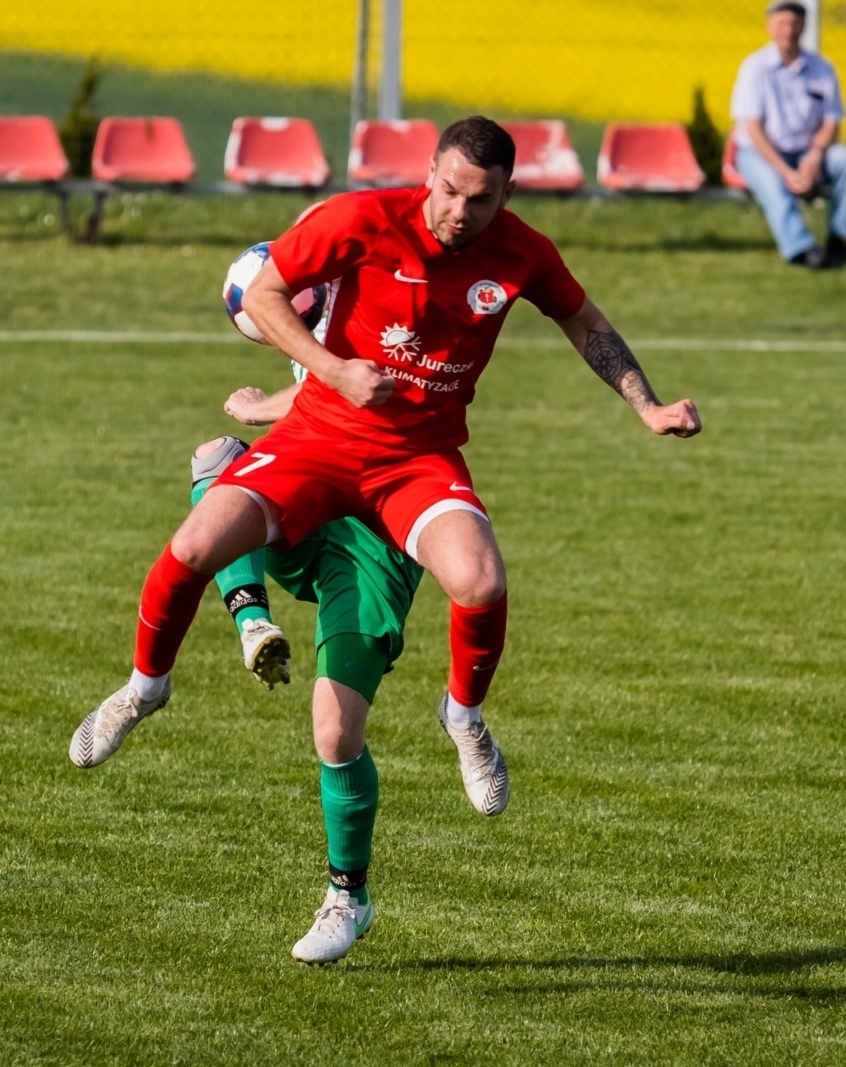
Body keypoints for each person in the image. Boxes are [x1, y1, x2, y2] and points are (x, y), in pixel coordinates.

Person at [70, 116, 701, 871]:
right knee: (196, 542)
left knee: (481, 579)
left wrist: (648, 405)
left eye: (482, 200)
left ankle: (463, 715)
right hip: (318, 439)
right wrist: (331, 370)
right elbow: (265, 294)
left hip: (416, 457)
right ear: (429, 170)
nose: (459, 212)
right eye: (450, 190)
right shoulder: (361, 219)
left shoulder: (524, 252)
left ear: (507, 194)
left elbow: (586, 324)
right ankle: (145, 687)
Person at [190, 377, 426, 964]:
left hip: (375, 536)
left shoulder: (388, 307)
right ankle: (250, 619)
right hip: (312, 497)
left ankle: (349, 895)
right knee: (217, 461)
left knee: (336, 733)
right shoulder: (316, 300)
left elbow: (356, 386)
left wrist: (260, 407)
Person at [731, 0, 846, 269]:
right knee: (772, 183)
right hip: (761, 153)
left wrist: (814, 156)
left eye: (794, 23)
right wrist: (786, 172)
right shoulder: (754, 68)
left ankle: (839, 238)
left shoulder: (822, 68)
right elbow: (753, 130)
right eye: (782, 23)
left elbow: (831, 122)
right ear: (769, 27)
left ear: (804, 26)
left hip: (807, 150)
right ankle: (801, 248)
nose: (788, 30)